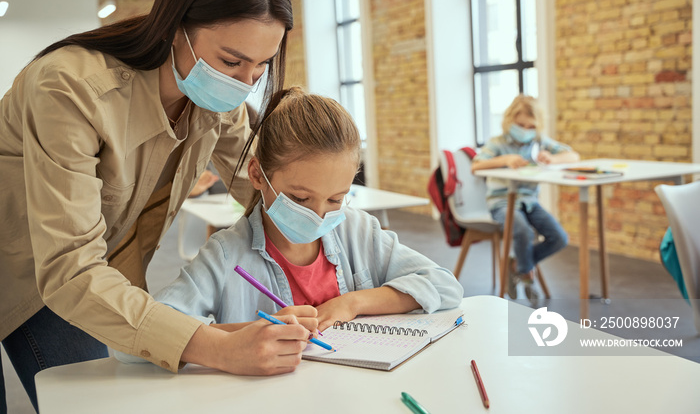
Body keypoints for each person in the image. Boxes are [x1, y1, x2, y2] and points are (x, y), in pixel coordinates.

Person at [0, 0, 310, 410]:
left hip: (86, 270)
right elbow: (69, 269)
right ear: (175, 27)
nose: (246, 83)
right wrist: (217, 346)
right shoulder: (69, 89)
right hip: (36, 266)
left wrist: (326, 243)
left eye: (262, 66)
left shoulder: (212, 97)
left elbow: (260, 186)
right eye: (231, 61)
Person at [135, 87, 464, 343]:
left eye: (336, 199)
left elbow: (445, 286)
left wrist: (353, 303)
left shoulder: (359, 231)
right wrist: (247, 334)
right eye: (300, 198)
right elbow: (140, 335)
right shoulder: (225, 255)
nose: (319, 216)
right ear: (257, 175)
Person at [471, 95, 580, 303]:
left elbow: (573, 156)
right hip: (501, 202)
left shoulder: (538, 142)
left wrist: (553, 158)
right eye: (520, 124)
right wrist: (505, 159)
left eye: (530, 126)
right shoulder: (498, 143)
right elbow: (476, 165)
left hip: (529, 202)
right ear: (509, 120)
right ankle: (528, 276)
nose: (525, 129)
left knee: (559, 238)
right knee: (522, 230)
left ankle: (517, 266)